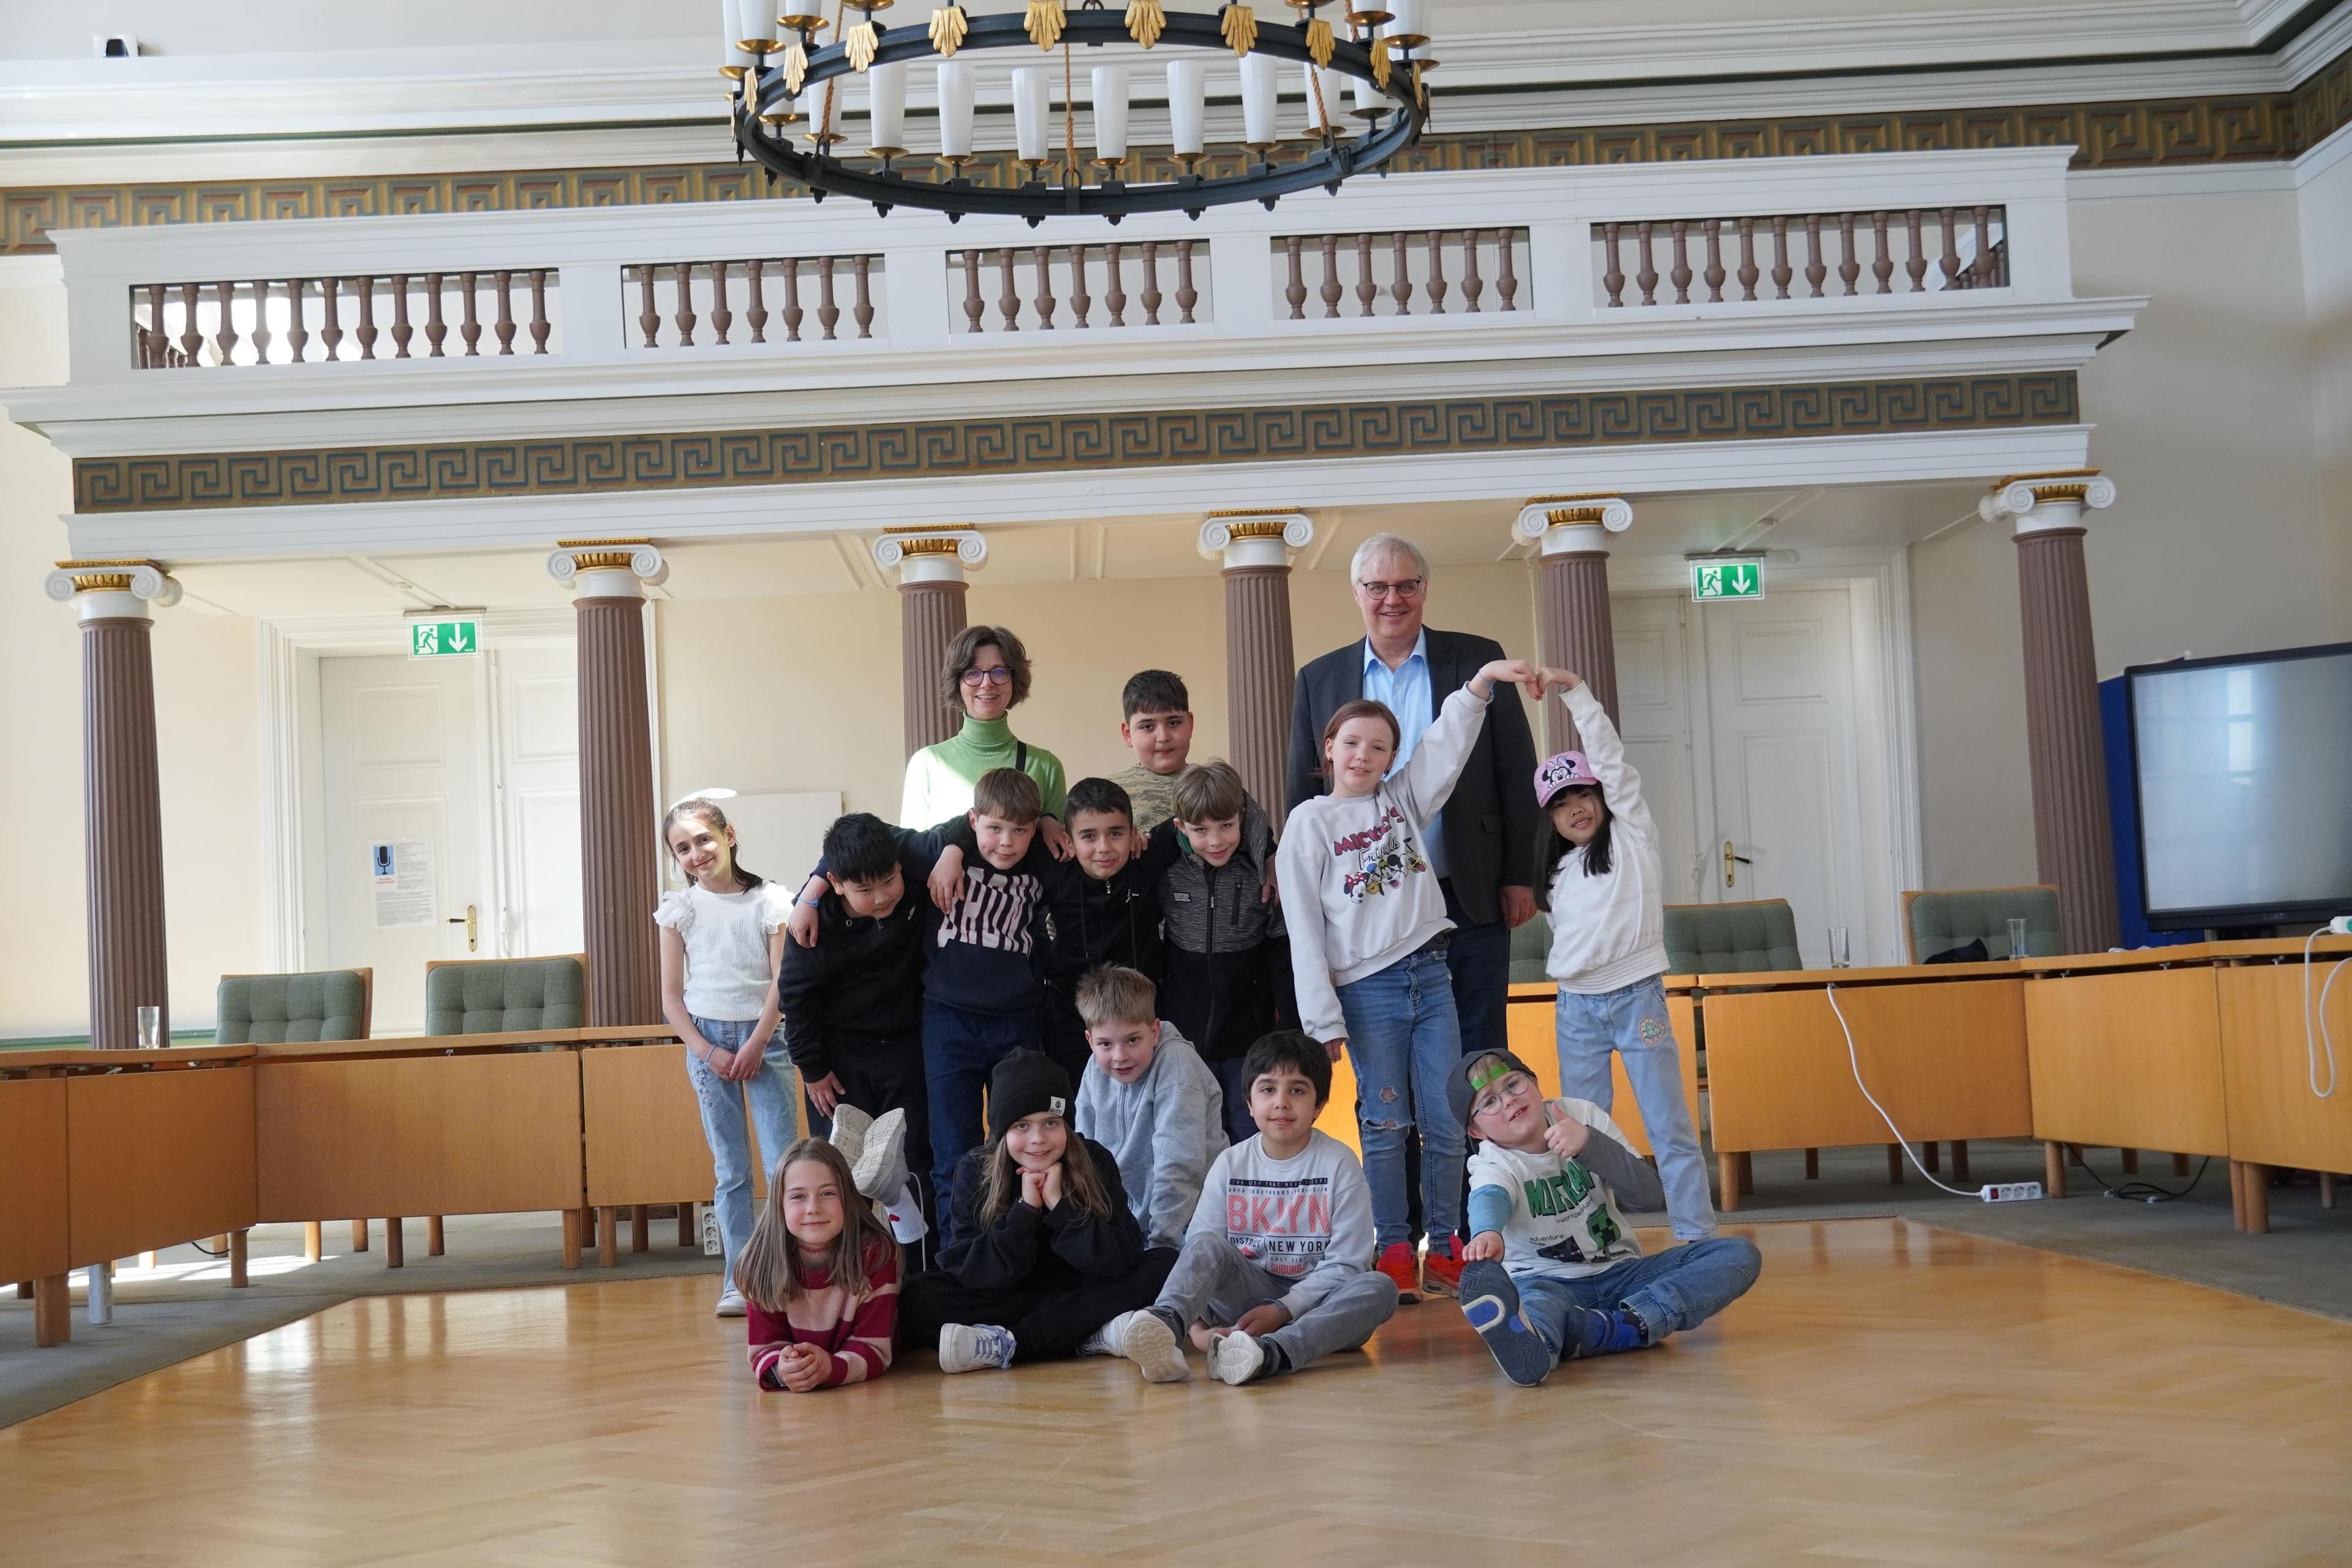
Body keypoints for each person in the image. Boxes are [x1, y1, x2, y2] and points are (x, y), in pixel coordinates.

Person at [1277, 655, 1537, 1305]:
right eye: (1353, 743)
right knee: (1386, 1122)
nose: (1365, 755)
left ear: (1391, 758)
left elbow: (1446, 747)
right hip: (1368, 992)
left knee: (1449, 1122)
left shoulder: (1401, 800)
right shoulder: (1308, 823)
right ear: (1328, 748)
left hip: (1432, 976)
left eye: (1381, 746)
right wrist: (1322, 1022)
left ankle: (1446, 1245)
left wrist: (1478, 687)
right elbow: (1305, 930)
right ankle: (1394, 1245)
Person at [1285, 535, 1540, 1063]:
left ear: (1425, 589)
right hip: (1368, 910)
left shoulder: (1477, 658)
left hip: (1472, 886)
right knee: (1388, 1063)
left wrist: (1521, 873)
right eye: (1377, 586)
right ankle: (1398, 1152)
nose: (1391, 599)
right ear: (1356, 593)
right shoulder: (1319, 678)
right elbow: (1304, 785)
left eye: (1406, 585)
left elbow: (1516, 769)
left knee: (1480, 1044)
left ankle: (1485, 1151)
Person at [1529, 667, 1716, 1242]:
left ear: (1602, 796)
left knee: (1670, 1127)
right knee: (1582, 1130)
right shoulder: (1556, 874)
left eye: (1583, 794)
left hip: (1639, 1000)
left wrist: (1575, 692)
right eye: (1561, 805)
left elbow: (1611, 759)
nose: (1576, 809)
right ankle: (1597, 1239)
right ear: (1551, 819)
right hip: (1577, 1008)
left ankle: (1695, 1237)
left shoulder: (1634, 836)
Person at [1450, 1048, 1762, 1387]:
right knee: (1537, 1308)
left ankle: (1609, 1327)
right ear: (1477, 1132)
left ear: (1536, 1084)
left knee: (1736, 1255)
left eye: (1513, 1084)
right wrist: (1487, 1233)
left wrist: (1588, 1144)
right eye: (1490, 1102)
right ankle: (1554, 1341)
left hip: (1624, 1274)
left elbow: (1648, 1197)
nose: (1508, 1100)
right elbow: (1489, 1196)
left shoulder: (1582, 1115)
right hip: (1546, 1282)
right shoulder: (1491, 1161)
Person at [1101, 1030, 1397, 1386]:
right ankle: (1165, 1326)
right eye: (1268, 1089)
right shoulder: (1230, 1163)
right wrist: (1198, 1331)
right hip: (1246, 1301)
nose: (1282, 1102)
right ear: (1249, 1101)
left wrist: (1284, 1310)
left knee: (1380, 1287)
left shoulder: (1339, 1163)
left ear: (1319, 1105)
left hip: (1320, 1310)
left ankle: (1270, 1353)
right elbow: (1200, 1252)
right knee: (1207, 1244)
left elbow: (1348, 1264)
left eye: (1298, 1090)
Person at [899, 1050, 1176, 1373]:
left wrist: (1060, 1206)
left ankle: (1008, 1344)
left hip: (1081, 1289)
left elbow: (1122, 1258)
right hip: (1014, 1297)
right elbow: (971, 1271)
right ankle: (1089, 1335)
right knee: (919, 1296)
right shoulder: (975, 1169)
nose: (1038, 1139)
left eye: (1051, 1123)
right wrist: (1025, 1211)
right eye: (1022, 1126)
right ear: (1003, 1132)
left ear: (1066, 1125)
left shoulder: (1095, 1160)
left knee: (1165, 1266)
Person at [654, 792, 798, 1319]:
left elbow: (783, 982)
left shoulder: (770, 902)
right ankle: (740, 1279)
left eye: (704, 840)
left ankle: (790, 1272)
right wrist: (707, 1050)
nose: (696, 854)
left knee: (784, 1161)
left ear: (729, 835)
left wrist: (758, 1040)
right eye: (683, 848)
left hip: (767, 1037)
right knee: (731, 1169)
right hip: (706, 1042)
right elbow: (672, 998)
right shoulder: (680, 910)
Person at [939, 775, 1179, 1085]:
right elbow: (991, 821)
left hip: (1139, 1018)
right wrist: (953, 851)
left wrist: (1266, 856)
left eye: (1116, 833)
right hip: (1069, 1019)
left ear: (1133, 834)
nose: (1103, 848)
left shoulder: (1145, 858)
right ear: (1068, 838)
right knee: (1075, 1116)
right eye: (1089, 836)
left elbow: (1210, 810)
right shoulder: (1055, 863)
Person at [774, 811, 936, 1245]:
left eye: (888, 881)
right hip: (838, 1062)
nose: (883, 897)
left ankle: (921, 1271)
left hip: (907, 1050)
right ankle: (849, 1267)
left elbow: (958, 834)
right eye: (865, 890)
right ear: (837, 882)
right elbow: (795, 998)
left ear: (899, 867)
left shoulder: (913, 885)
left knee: (916, 1161)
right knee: (841, 1168)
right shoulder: (812, 923)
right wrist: (811, 1068)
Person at [1158, 760, 1291, 1147]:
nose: (1215, 841)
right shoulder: (1166, 869)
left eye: (1227, 827)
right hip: (1184, 1041)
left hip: (1249, 1039)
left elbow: (1282, 951)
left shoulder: (1263, 872)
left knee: (1250, 1137)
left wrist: (1290, 1028)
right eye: (1201, 830)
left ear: (1243, 819)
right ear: (1181, 828)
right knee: (1194, 1141)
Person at [1071, 965, 1227, 1251]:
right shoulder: (1094, 1069)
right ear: (1090, 1041)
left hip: (1188, 1227)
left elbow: (1180, 1165)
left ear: (1154, 1032)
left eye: (1133, 1040)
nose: (1120, 1056)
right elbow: (1084, 1152)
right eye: (1105, 1044)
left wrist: (1162, 1244)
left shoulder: (1177, 1066)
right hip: (1127, 1225)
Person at [736, 1138, 902, 1390]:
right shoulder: (759, 1263)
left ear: (848, 1198)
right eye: (798, 1196)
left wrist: (830, 1369)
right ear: (779, 1206)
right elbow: (764, 1350)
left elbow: (875, 1349)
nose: (813, 1208)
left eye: (827, 1193)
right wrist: (783, 1370)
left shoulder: (875, 1255)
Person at [902, 624, 1068, 827]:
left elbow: (1055, 854)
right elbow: (910, 852)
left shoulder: (1046, 767)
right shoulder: (927, 764)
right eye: (973, 673)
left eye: (999, 672)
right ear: (958, 682)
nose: (987, 683)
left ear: (1014, 680)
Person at [1112, 668, 1197, 832]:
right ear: (1128, 734)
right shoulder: (1108, 794)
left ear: (1190, 724)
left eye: (1173, 723)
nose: (1163, 737)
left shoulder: (1216, 783)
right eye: (1148, 726)